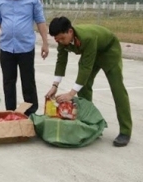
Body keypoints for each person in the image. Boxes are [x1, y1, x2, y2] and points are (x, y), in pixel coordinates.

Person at [46, 16, 132, 147]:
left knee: (118, 89)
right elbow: (61, 61)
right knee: (84, 87)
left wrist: (71, 93)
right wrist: (55, 85)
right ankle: (90, 124)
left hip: (108, 51)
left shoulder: (87, 38)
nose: (61, 42)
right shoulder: (61, 40)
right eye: (57, 39)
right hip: (91, 52)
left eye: (62, 38)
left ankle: (125, 131)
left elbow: (85, 68)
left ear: (70, 31)